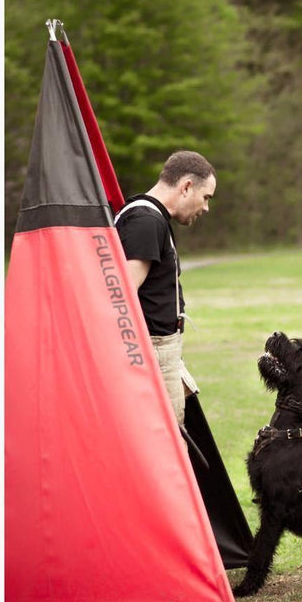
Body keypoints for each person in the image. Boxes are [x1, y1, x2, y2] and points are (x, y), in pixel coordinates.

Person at [115, 150, 217, 432]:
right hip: (153, 353)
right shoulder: (146, 221)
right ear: (186, 186)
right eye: (206, 197)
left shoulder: (149, 216)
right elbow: (121, 297)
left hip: (160, 351)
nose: (206, 207)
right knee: (167, 445)